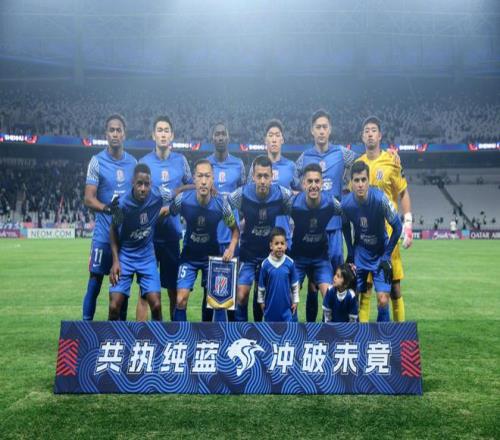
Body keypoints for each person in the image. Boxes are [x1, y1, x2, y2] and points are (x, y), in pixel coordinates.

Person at [295, 109, 356, 322]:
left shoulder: (342, 153)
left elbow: (362, 164)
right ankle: (312, 328)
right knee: (313, 285)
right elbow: (293, 182)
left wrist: (348, 188)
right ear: (312, 131)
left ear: (330, 130)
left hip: (334, 227)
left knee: (336, 282)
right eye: (318, 127)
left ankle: (331, 327)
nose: (321, 131)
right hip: (312, 230)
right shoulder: (304, 158)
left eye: (325, 127)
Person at [356, 116, 412, 322]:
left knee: (394, 288)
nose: (370, 134)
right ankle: (363, 336)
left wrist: (408, 224)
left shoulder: (392, 160)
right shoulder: (358, 164)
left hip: (389, 236)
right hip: (366, 236)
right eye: (366, 131)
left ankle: (399, 334)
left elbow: (403, 192)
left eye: (374, 130)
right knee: (365, 289)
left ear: (380, 135)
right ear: (362, 136)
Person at [169, 159, 239, 321]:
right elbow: (170, 212)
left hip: (212, 259)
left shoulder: (221, 205)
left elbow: (235, 231)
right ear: (194, 178)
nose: (203, 181)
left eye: (207, 176)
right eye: (200, 176)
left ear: (213, 179)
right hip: (189, 257)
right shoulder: (182, 200)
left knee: (217, 303)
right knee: (180, 300)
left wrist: (230, 248)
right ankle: (181, 335)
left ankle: (215, 335)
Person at [82, 114, 137, 321]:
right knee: (94, 283)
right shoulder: (96, 161)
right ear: (106, 134)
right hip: (102, 237)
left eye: (118, 130)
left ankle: (119, 333)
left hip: (125, 239)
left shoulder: (133, 163)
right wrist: (108, 209)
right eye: (111, 130)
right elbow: (88, 199)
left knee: (121, 290)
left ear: (124, 134)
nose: (115, 133)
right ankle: (85, 327)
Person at [139, 115, 193, 321]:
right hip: (148, 236)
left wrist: (176, 199)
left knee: (172, 290)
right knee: (145, 293)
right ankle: (142, 335)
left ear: (172, 135)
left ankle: (172, 334)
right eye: (159, 130)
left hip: (171, 236)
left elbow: (191, 187)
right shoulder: (144, 163)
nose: (163, 134)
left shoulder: (181, 161)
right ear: (153, 135)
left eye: (166, 130)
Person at [228, 155, 293, 322]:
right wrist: (235, 228)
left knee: (263, 297)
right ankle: (240, 331)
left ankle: (260, 330)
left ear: (272, 177)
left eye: (266, 176)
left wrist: (290, 236)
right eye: (259, 176)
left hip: (270, 255)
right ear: (253, 177)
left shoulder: (282, 195)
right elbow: (225, 206)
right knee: (241, 295)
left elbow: (296, 212)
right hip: (248, 253)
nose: (263, 181)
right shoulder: (241, 194)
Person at [248, 119, 300, 321]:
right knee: (259, 286)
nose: (274, 139)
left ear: (283, 139)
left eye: (277, 135)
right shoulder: (256, 167)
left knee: (286, 286)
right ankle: (260, 329)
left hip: (283, 237)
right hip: (260, 237)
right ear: (265, 140)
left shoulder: (291, 166)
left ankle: (290, 331)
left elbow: (300, 194)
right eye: (271, 135)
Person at [108, 163, 172, 321]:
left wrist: (193, 187)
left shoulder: (158, 195)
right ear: (132, 183)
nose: (143, 188)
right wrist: (115, 261)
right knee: (114, 306)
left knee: (156, 305)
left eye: (146, 184)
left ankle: (157, 336)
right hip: (126, 256)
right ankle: (114, 337)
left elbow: (177, 193)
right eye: (139, 184)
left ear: (151, 184)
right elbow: (113, 230)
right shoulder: (122, 204)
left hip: (147, 256)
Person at [341, 161, 402, 322]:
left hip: (380, 254)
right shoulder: (346, 204)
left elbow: (398, 227)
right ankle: (354, 334)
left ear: (369, 181)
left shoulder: (380, 199)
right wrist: (351, 252)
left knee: (383, 300)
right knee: (352, 297)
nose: (360, 184)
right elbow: (345, 226)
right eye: (356, 180)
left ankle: (382, 334)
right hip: (360, 254)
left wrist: (386, 255)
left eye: (363, 180)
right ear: (351, 182)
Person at [203, 122, 246, 321]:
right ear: (212, 138)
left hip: (231, 237)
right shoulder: (205, 165)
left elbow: (245, 195)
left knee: (232, 290)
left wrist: (242, 220)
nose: (220, 137)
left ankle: (232, 333)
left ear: (228, 137)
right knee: (209, 290)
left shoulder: (238, 164)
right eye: (217, 134)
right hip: (210, 237)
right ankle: (206, 333)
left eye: (223, 134)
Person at [290, 163, 342, 308]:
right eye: (310, 181)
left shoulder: (331, 203)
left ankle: (328, 324)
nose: (313, 185)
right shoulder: (293, 204)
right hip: (298, 258)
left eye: (317, 181)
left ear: (322, 183)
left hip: (320, 258)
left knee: (330, 299)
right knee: (291, 299)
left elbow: (347, 215)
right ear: (303, 184)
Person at [257, 227, 299, 322]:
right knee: (270, 330)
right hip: (270, 308)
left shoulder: (290, 263)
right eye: (276, 243)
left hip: (287, 309)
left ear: (286, 245)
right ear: (271, 246)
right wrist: (261, 302)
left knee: (288, 329)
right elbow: (261, 287)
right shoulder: (265, 264)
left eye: (282, 243)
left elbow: (295, 285)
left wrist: (295, 301)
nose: (279, 246)